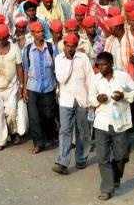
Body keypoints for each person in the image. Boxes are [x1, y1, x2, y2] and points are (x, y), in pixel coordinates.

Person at [89, 52, 134, 201]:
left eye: (103, 65)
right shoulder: (95, 79)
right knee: (102, 158)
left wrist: (124, 96)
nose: (100, 67)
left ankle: (115, 177)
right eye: (98, 65)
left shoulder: (122, 76)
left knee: (122, 156)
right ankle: (106, 188)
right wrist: (97, 99)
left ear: (111, 64)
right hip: (102, 123)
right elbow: (90, 97)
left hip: (121, 123)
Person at [52, 33, 94, 174]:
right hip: (66, 99)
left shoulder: (83, 58)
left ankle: (81, 159)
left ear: (76, 46)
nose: (69, 49)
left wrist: (91, 99)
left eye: (72, 47)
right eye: (67, 46)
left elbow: (90, 79)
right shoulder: (59, 59)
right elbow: (61, 78)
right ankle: (62, 162)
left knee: (83, 131)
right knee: (65, 130)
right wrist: (69, 61)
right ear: (64, 46)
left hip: (83, 98)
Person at [21, 21, 59, 154]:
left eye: (42, 31)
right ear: (32, 34)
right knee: (34, 117)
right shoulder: (27, 50)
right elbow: (25, 69)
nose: (41, 34)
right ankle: (38, 143)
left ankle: (50, 135)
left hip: (49, 87)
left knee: (49, 115)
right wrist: (24, 88)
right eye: (38, 32)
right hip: (33, 88)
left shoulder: (51, 48)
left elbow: (57, 69)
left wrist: (58, 88)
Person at [0, 24, 22, 150]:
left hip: (11, 86)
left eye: (4, 38)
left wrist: (21, 85)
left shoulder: (15, 48)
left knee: (11, 113)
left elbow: (19, 67)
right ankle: (0, 140)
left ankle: (13, 132)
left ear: (8, 36)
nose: (1, 41)